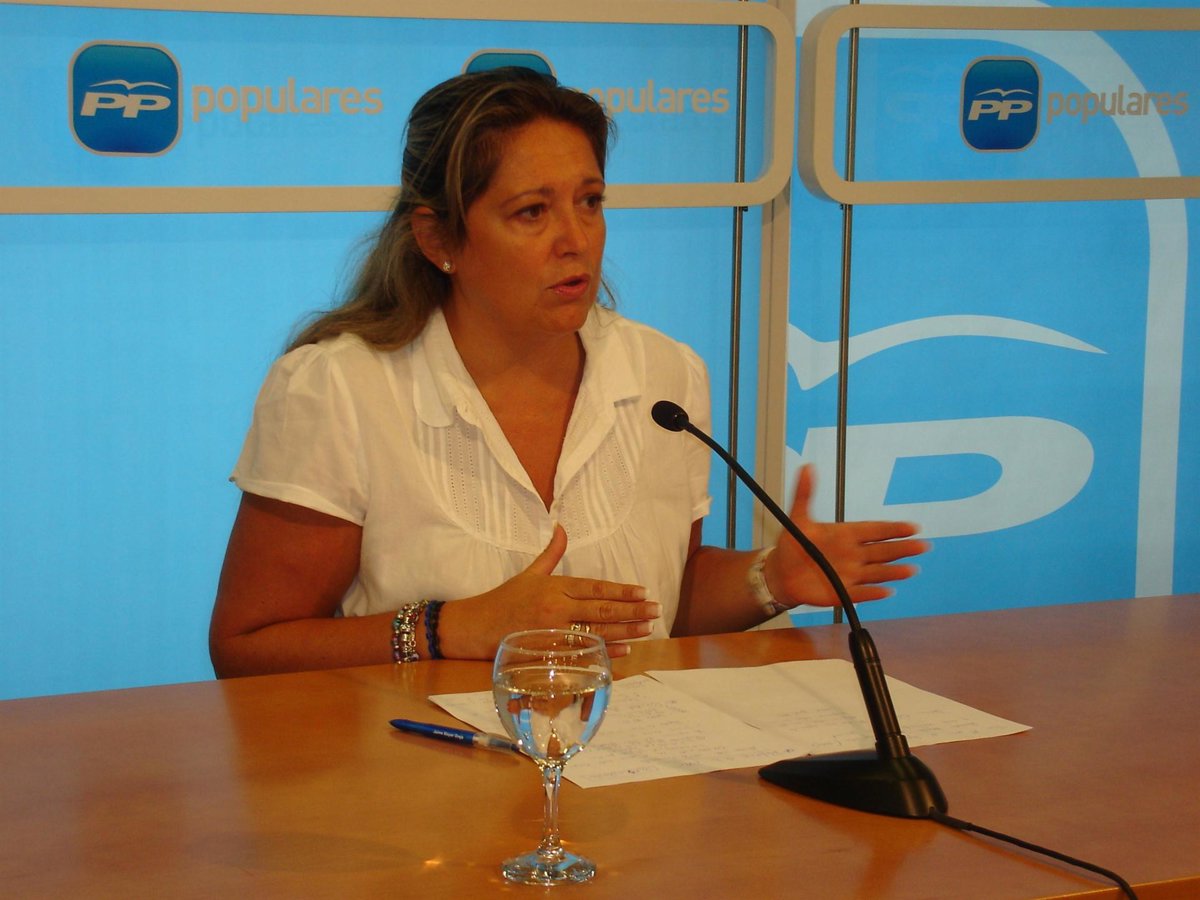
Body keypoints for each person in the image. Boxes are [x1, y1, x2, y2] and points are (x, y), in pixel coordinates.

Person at [209, 67, 927, 678]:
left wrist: (770, 578)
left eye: (590, 202)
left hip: (636, 776)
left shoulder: (664, 373)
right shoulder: (338, 388)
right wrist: (447, 628)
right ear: (437, 238)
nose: (576, 239)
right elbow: (248, 647)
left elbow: (662, 607)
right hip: (422, 782)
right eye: (532, 212)